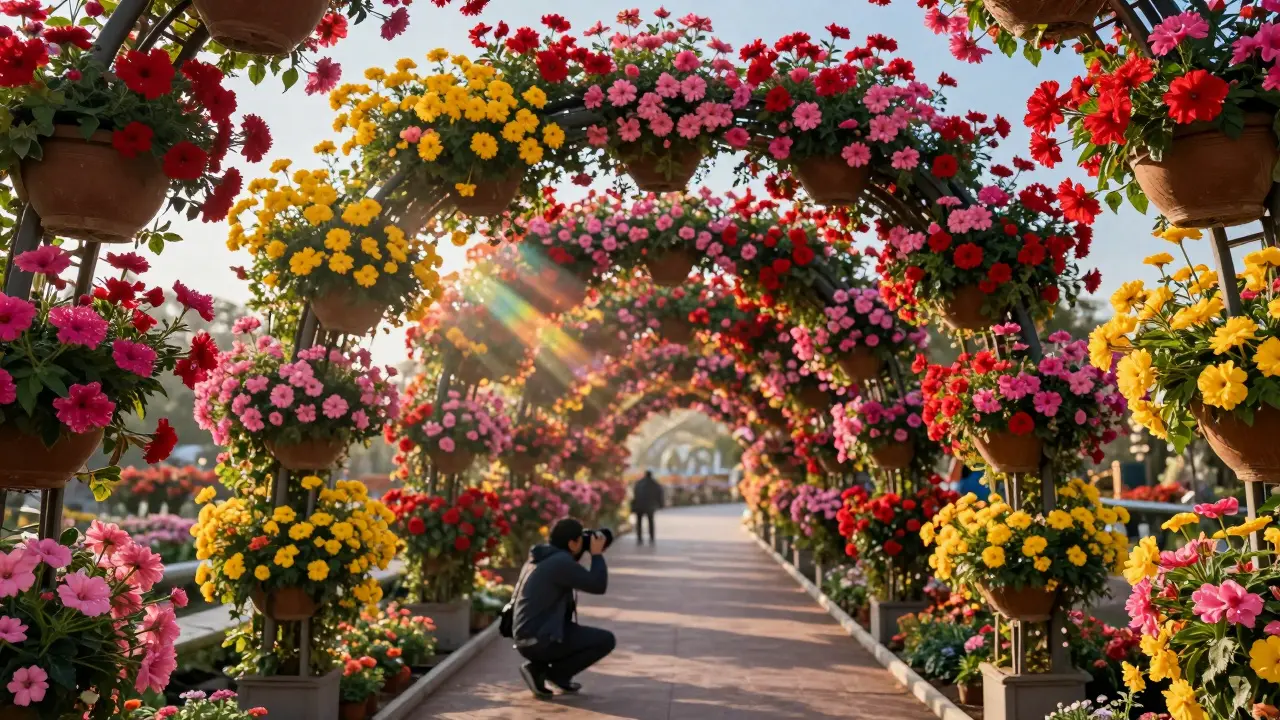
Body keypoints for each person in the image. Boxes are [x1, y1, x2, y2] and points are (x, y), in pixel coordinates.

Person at [512, 518, 616, 699]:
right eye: (580, 540)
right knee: (605, 640)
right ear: (572, 543)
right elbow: (598, 585)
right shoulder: (560, 562)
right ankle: (550, 673)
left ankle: (543, 670)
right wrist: (596, 554)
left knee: (577, 634)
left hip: (526, 638)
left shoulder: (542, 557)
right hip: (540, 641)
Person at [631, 471, 664, 544]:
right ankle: (651, 538)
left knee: (639, 522)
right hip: (650, 506)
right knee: (651, 522)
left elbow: (635, 493)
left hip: (639, 505)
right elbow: (660, 494)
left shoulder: (639, 483)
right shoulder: (655, 484)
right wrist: (661, 505)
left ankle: (639, 538)